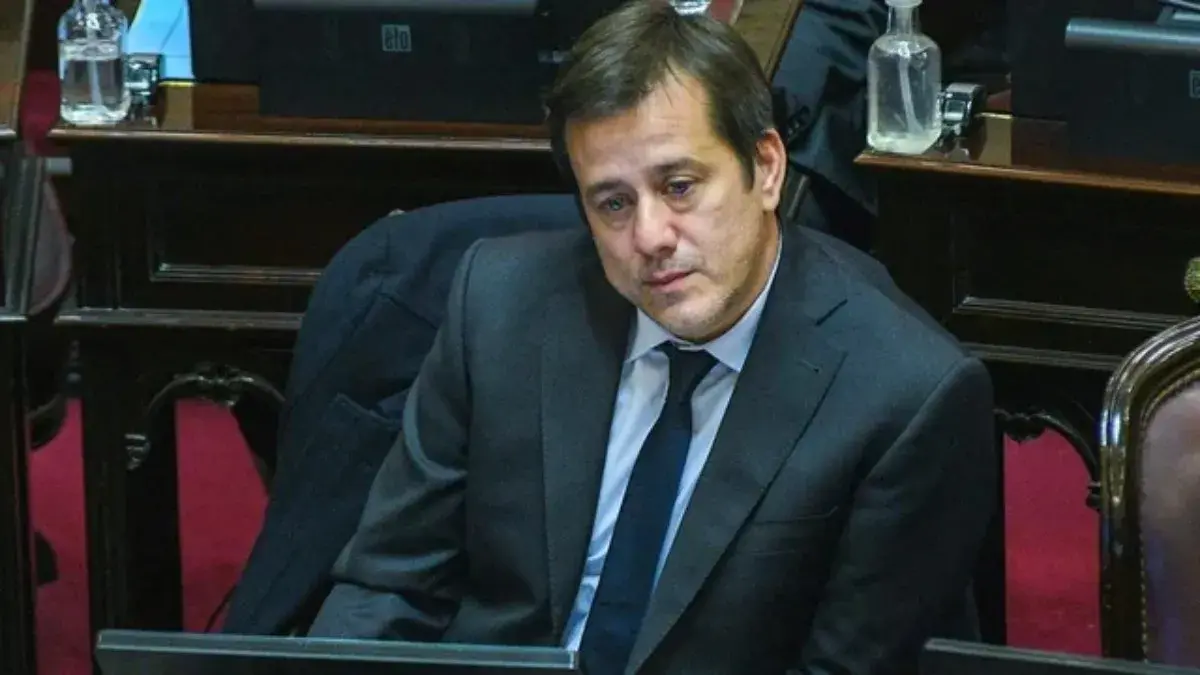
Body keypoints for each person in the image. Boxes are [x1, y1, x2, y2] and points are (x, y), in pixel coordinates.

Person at [308, 3, 996, 673]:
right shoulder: (497, 304)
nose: (650, 237)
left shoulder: (904, 394)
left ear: (765, 168)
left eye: (680, 186)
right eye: (613, 203)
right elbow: (391, 585)